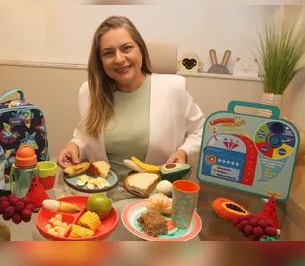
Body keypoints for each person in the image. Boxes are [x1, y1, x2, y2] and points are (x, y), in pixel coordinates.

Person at [57, 15, 205, 200]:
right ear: (100, 62)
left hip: (154, 198)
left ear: (141, 51)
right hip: (101, 195)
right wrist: (75, 146)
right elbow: (85, 133)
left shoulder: (173, 89)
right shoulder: (90, 92)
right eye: (108, 53)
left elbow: (201, 131)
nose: (119, 59)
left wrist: (184, 152)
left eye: (126, 48)